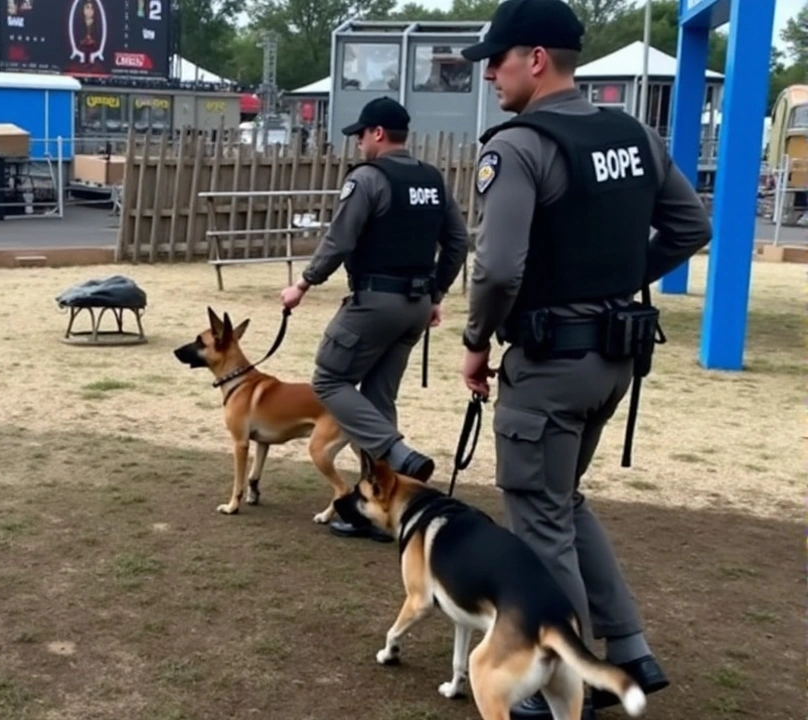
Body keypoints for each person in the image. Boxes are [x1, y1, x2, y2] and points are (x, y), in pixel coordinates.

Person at [458, 0, 713, 717]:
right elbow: (692, 224)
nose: (491, 79)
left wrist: (477, 341)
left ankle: (562, 681)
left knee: (538, 514)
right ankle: (629, 647)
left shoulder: (518, 145)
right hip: (616, 356)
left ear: (534, 59)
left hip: (549, 361)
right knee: (563, 501)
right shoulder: (632, 133)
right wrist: (619, 276)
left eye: (498, 62)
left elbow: (500, 267)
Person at [280, 97, 470, 542]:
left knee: (328, 379)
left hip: (375, 302)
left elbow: (340, 239)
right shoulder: (433, 179)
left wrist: (304, 284)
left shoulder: (368, 179)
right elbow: (458, 242)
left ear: (379, 134)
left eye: (362, 134)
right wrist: (436, 292)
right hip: (416, 307)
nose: (359, 142)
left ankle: (395, 453)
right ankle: (381, 508)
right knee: (378, 402)